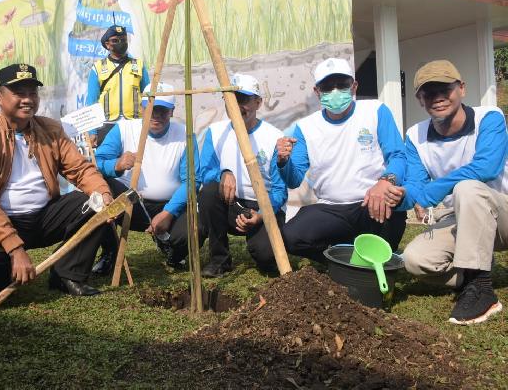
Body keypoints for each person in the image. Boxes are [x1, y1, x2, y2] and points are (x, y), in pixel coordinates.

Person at [0, 64, 114, 297]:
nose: (27, 99)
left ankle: (66, 275)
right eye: (19, 93)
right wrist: (14, 248)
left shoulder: (51, 129)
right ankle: (6, 279)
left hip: (43, 216)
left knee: (94, 205)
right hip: (0, 220)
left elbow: (80, 169)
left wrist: (103, 194)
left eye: (32, 93)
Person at [387, 60, 507, 325]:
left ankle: (481, 289)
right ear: (420, 98)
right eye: (429, 92)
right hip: (463, 218)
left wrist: (432, 190)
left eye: (446, 89)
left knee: (468, 188)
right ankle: (472, 271)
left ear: (461, 88)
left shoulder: (490, 117)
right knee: (415, 260)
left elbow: (486, 168)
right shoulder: (415, 135)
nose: (438, 98)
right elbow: (417, 186)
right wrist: (399, 197)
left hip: (502, 213)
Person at [277, 57, 407, 261]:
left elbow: (398, 155)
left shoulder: (375, 110)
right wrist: (283, 161)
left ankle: (371, 255)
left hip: (370, 202)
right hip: (330, 207)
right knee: (291, 236)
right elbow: (294, 179)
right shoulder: (306, 127)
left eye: (342, 84)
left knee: (394, 204)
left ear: (354, 86)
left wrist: (385, 181)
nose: (335, 91)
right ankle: (341, 257)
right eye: (327, 87)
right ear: (317, 92)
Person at [92, 82, 202, 273]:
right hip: (131, 204)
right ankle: (110, 251)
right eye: (151, 109)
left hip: (171, 205)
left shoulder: (184, 135)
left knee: (196, 230)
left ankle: (173, 252)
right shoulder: (124, 129)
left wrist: (169, 213)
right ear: (142, 108)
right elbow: (97, 163)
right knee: (99, 191)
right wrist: (116, 165)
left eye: (162, 110)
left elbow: (192, 180)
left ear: (172, 111)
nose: (156, 115)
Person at [198, 73, 286, 277]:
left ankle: (263, 245)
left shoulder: (274, 137)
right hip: (231, 205)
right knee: (209, 192)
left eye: (244, 100)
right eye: (231, 100)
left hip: (263, 207)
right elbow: (206, 172)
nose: (237, 106)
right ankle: (219, 260)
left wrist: (262, 215)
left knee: (265, 256)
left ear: (258, 102)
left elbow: (280, 191)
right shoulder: (215, 132)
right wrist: (224, 173)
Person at [85, 25, 150, 146]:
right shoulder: (98, 67)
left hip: (135, 125)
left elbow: (148, 97)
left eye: (124, 40)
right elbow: (91, 102)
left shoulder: (139, 65)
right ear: (107, 44)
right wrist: (92, 131)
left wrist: (148, 124)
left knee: (136, 162)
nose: (120, 43)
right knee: (107, 162)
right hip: (107, 126)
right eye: (115, 40)